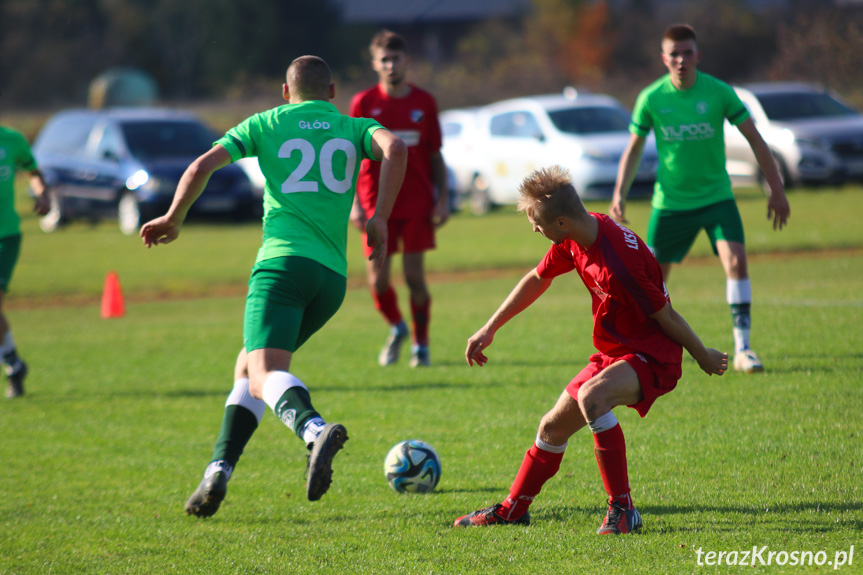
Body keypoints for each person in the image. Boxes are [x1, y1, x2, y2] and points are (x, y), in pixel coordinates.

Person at [140, 55, 407, 517]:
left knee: (263, 375)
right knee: (248, 366)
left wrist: (173, 218)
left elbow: (202, 166)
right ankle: (217, 472)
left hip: (281, 268)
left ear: (286, 92)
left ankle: (312, 429)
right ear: (332, 92)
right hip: (331, 280)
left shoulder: (265, 122)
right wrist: (379, 216)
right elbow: (397, 148)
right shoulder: (351, 126)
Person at [454, 166, 727, 534]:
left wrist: (702, 355)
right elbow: (538, 278)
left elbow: (667, 317)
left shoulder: (619, 264)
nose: (535, 229)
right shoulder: (576, 237)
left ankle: (623, 510)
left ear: (562, 222)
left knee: (592, 397)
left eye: (537, 222)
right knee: (551, 428)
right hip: (616, 351)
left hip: (652, 354)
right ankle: (512, 509)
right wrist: (490, 328)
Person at [610, 24, 790, 374]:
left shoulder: (719, 93)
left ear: (698, 56)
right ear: (664, 59)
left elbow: (755, 139)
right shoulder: (651, 98)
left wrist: (776, 188)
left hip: (717, 199)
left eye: (687, 52)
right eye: (673, 54)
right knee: (653, 284)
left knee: (736, 263)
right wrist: (619, 194)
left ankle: (744, 349)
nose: (681, 60)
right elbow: (632, 150)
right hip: (671, 205)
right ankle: (642, 349)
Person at [349, 29, 450, 368]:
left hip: (417, 203)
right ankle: (397, 327)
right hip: (375, 204)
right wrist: (353, 205)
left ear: (407, 61)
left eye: (396, 59)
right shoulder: (363, 103)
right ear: (375, 64)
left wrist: (443, 199)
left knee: (414, 278)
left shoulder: (425, 103)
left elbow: (436, 156)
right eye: (384, 60)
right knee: (377, 282)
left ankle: (421, 345)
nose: (391, 65)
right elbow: (347, 156)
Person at [0, 119, 51, 398]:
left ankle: (13, 365)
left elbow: (33, 170)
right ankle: (14, 364)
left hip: (4, 236)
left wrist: (42, 194)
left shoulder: (11, 140)